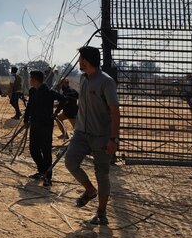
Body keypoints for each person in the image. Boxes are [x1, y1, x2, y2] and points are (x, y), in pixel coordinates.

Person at [64, 46, 120, 225]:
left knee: (102, 173)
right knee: (70, 162)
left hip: (101, 137)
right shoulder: (83, 79)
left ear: (86, 61)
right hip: (81, 133)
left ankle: (101, 213)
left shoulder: (106, 82)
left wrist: (113, 139)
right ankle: (89, 190)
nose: (79, 61)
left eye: (81, 58)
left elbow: (115, 112)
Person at [22, 70, 65, 187]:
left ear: (35, 79)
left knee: (46, 151)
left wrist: (56, 113)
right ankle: (41, 171)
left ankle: (47, 177)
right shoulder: (32, 91)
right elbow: (29, 106)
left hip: (46, 125)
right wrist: (26, 120)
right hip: (35, 124)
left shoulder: (48, 92)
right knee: (33, 150)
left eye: (31, 78)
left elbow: (63, 99)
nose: (29, 80)